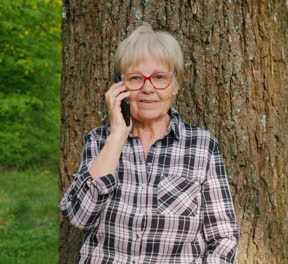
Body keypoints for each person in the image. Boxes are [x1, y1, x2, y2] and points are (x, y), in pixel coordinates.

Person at [59, 23, 239, 264]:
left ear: (175, 85)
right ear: (118, 86)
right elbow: (80, 217)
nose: (147, 88)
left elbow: (223, 238)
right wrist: (116, 137)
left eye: (160, 77)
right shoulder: (99, 141)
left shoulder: (202, 146)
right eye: (135, 78)